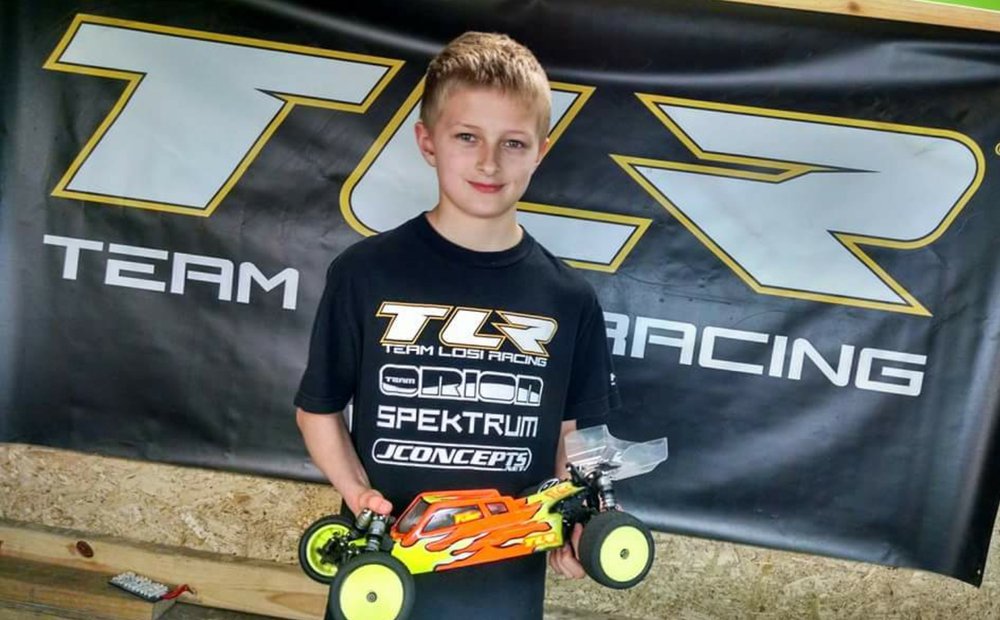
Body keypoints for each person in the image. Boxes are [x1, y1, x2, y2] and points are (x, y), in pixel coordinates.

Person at [294, 31, 620, 619]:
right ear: (428, 141)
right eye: (467, 137)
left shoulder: (569, 299)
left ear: (541, 151)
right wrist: (357, 494)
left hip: (502, 592)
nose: (489, 162)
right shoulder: (365, 273)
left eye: (513, 143)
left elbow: (576, 435)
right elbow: (317, 409)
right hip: (380, 581)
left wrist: (578, 520)